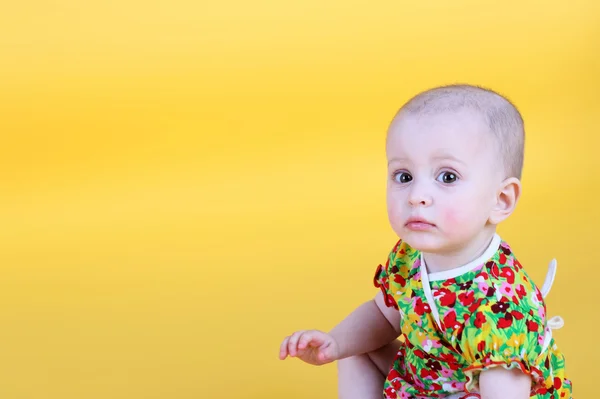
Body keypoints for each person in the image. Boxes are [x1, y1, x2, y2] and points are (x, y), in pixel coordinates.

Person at [278, 84, 572, 399]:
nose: (417, 196)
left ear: (500, 200)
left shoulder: (499, 307)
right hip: (432, 378)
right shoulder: (409, 257)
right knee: (356, 350)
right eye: (403, 176)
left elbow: (505, 390)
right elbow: (384, 316)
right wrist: (335, 342)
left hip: (484, 391)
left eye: (447, 177)